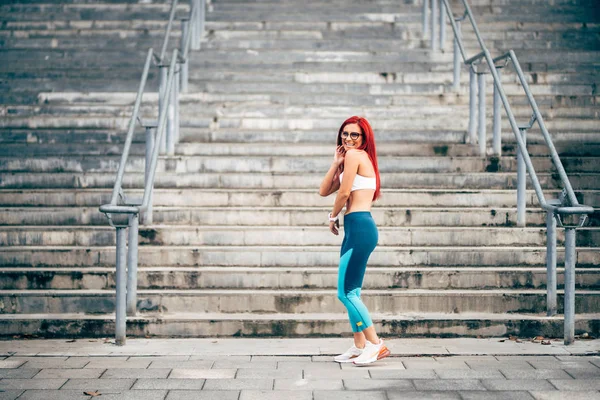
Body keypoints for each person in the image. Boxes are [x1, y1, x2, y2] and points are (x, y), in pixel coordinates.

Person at [319, 116, 390, 366]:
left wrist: (331, 216)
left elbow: (344, 193)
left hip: (359, 227)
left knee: (345, 292)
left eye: (354, 135)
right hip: (359, 228)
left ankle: (375, 343)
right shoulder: (353, 158)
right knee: (353, 291)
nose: (348, 139)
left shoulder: (356, 156)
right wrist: (335, 162)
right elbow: (324, 190)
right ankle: (360, 345)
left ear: (364, 139)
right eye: (345, 134)